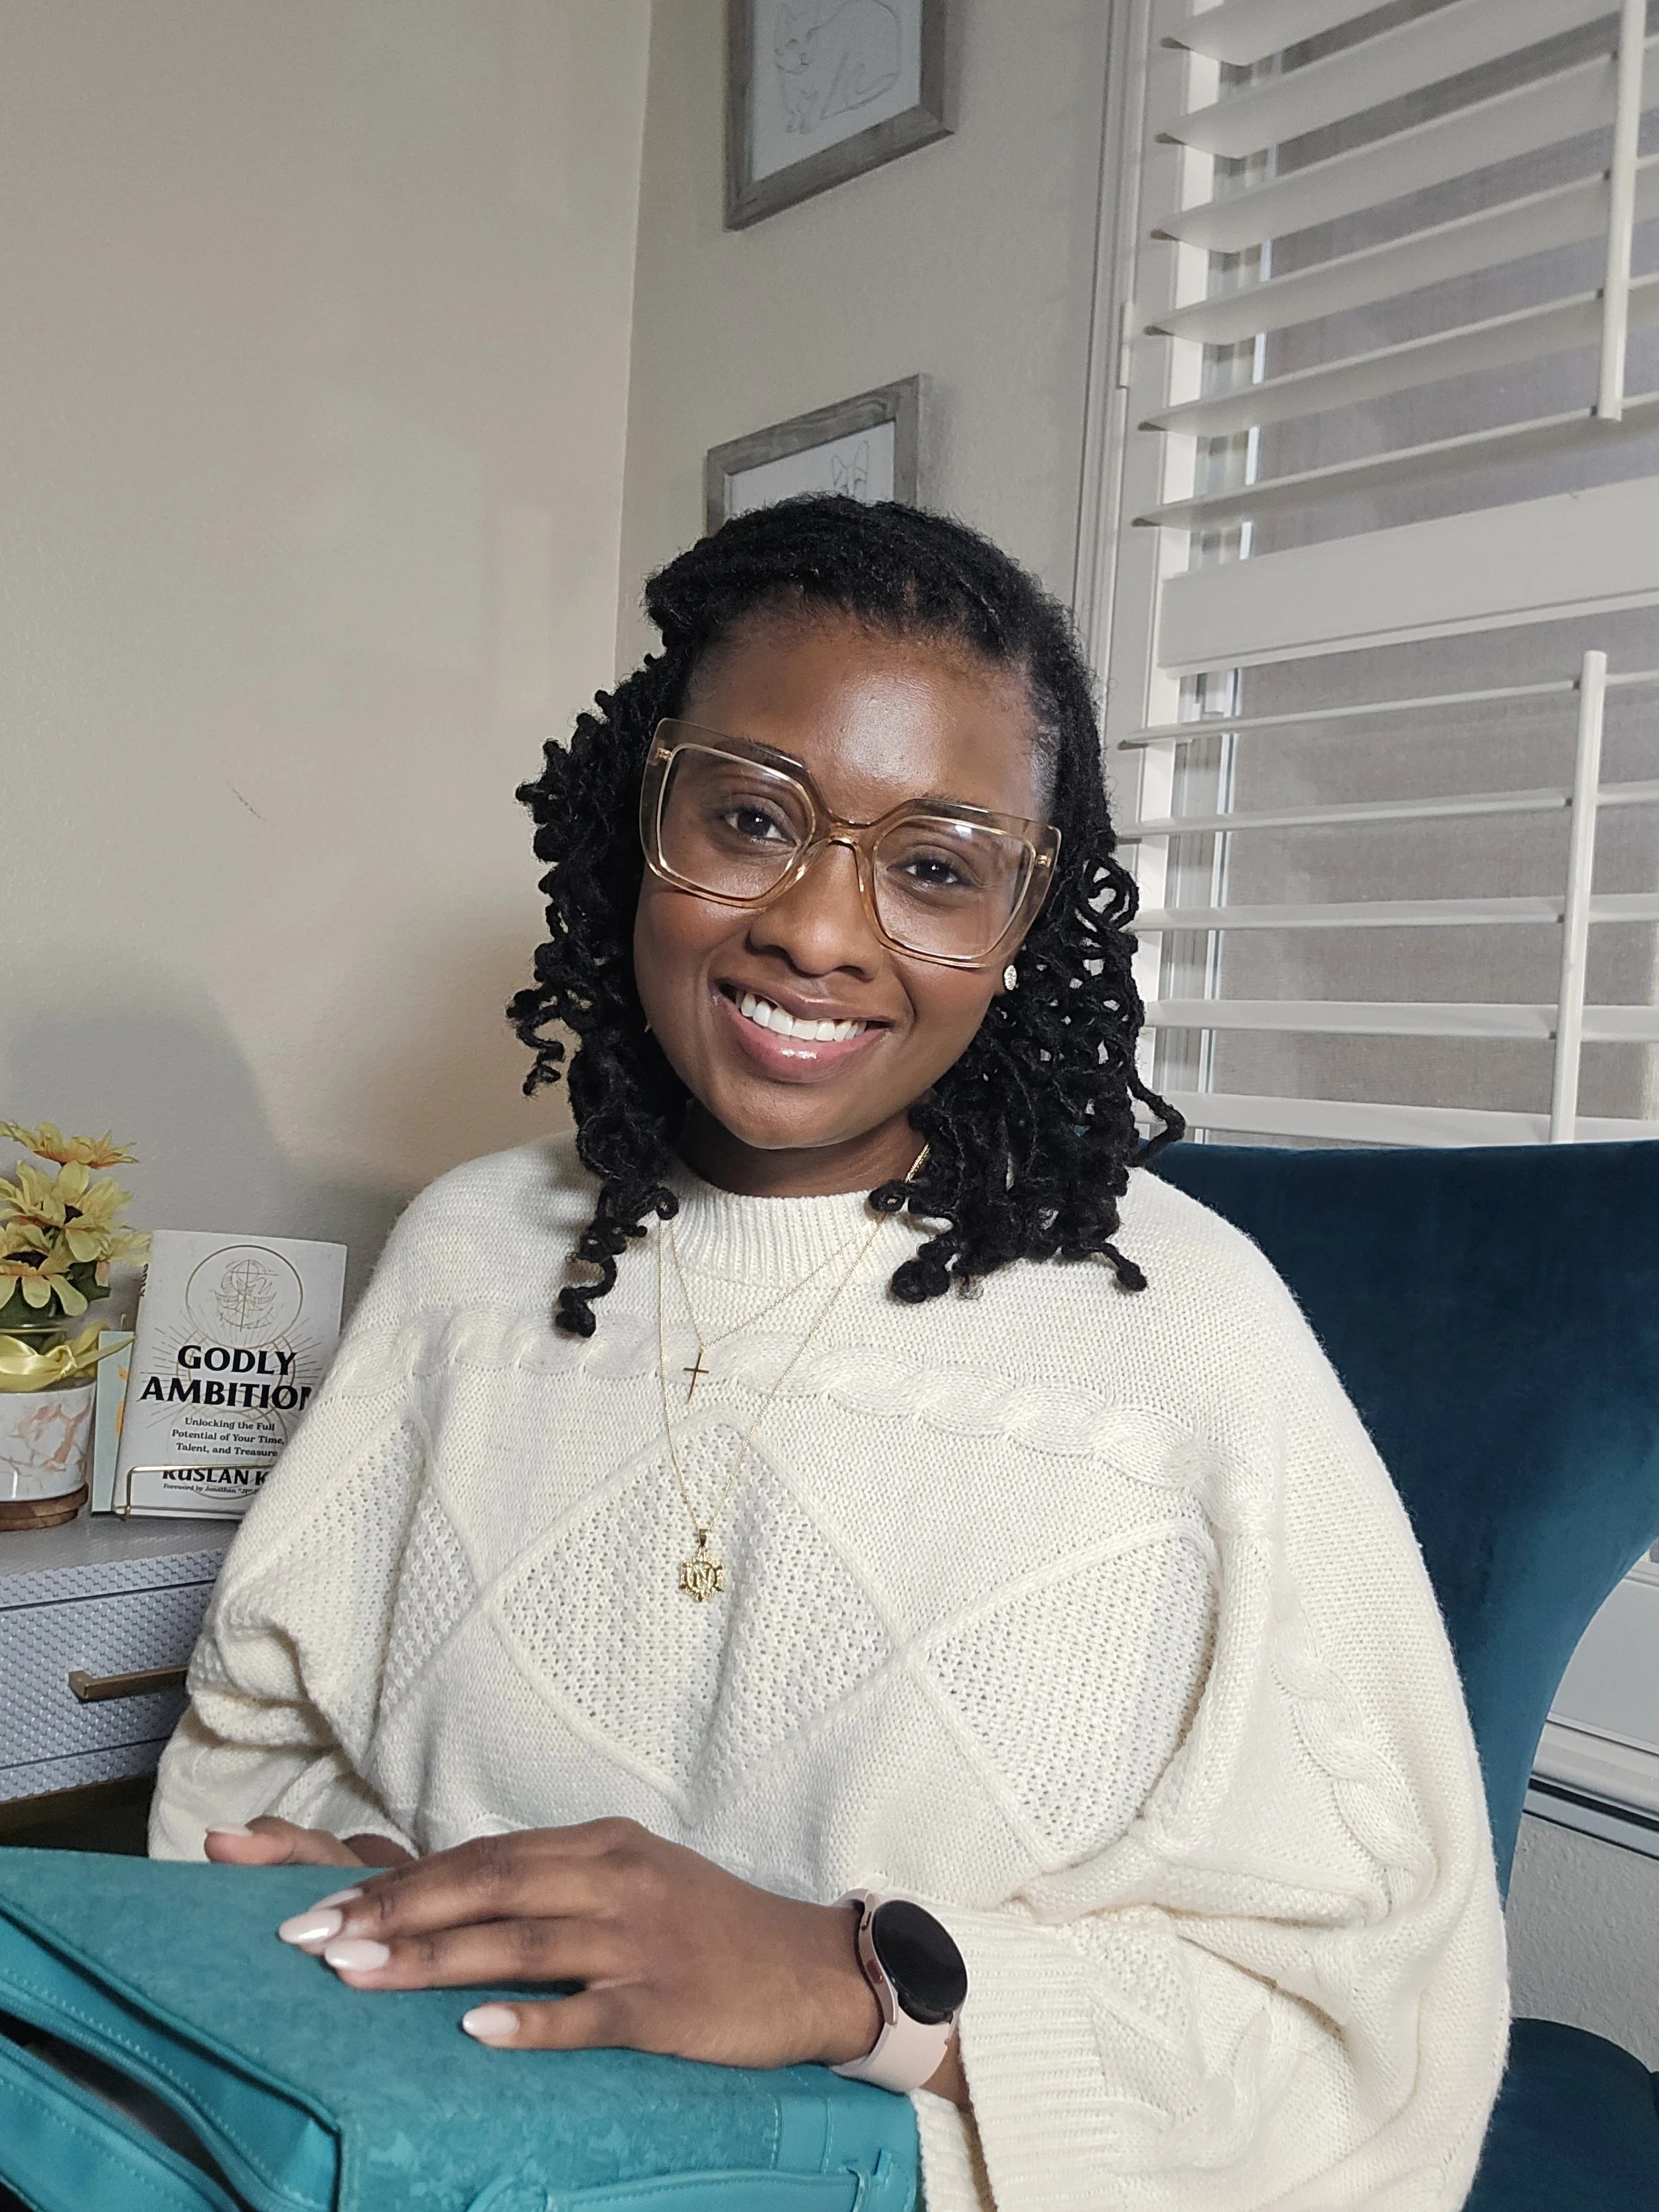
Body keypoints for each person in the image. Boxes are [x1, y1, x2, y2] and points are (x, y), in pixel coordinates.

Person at [151, 497, 1508, 2211]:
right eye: (751, 818)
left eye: (935, 865)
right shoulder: (468, 1254)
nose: (817, 926)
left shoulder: (1189, 1340)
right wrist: (357, 1876)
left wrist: (853, 1980)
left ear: (1023, 927)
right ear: (633, 817)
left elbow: (1365, 2031)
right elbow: (265, 1727)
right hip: (434, 2141)